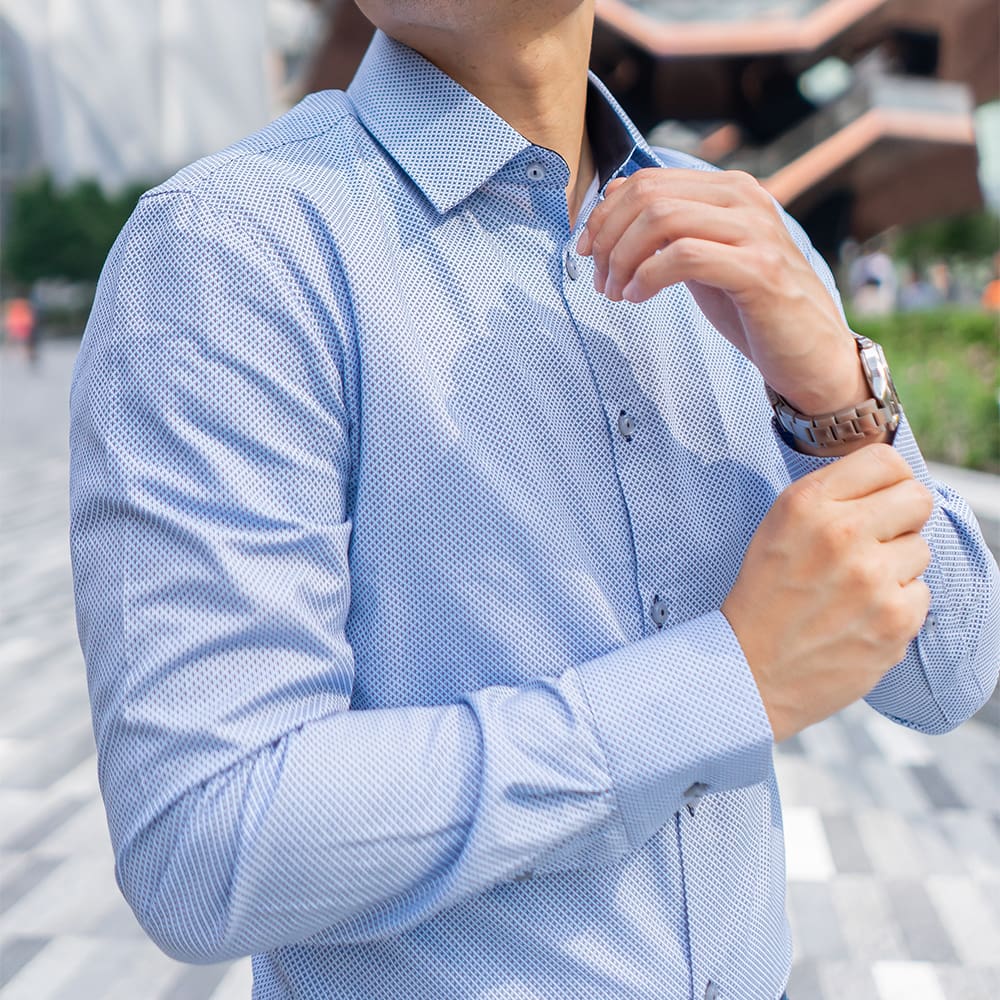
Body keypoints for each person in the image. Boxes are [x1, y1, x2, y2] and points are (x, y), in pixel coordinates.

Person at [69, 3, 999, 999]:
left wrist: (839, 397)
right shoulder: (231, 248)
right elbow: (207, 843)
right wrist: (724, 677)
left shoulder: (746, 236)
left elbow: (948, 672)